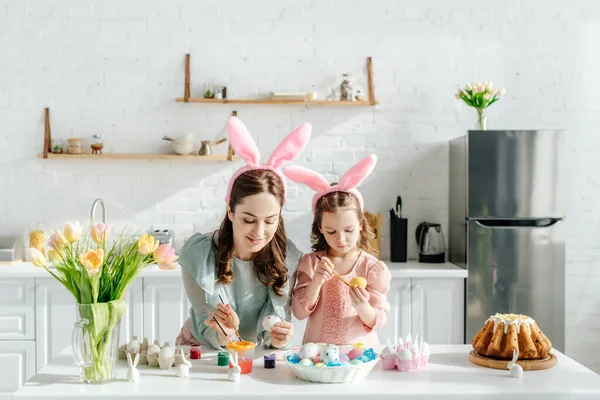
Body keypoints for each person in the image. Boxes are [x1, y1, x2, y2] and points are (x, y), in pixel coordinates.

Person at [175, 116, 311, 349]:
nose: (259, 231)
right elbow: (208, 325)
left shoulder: (287, 257)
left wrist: (280, 338)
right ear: (230, 211)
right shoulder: (200, 255)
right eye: (249, 219)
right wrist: (225, 333)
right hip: (202, 349)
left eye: (270, 220)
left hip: (251, 352)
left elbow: (275, 322)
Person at [284, 155, 391, 346]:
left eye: (348, 230)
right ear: (320, 228)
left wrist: (362, 306)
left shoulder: (371, 267)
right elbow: (299, 313)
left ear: (360, 225)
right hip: (316, 358)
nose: (341, 239)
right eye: (331, 231)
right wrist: (316, 281)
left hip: (358, 357)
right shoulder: (311, 262)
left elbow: (378, 320)